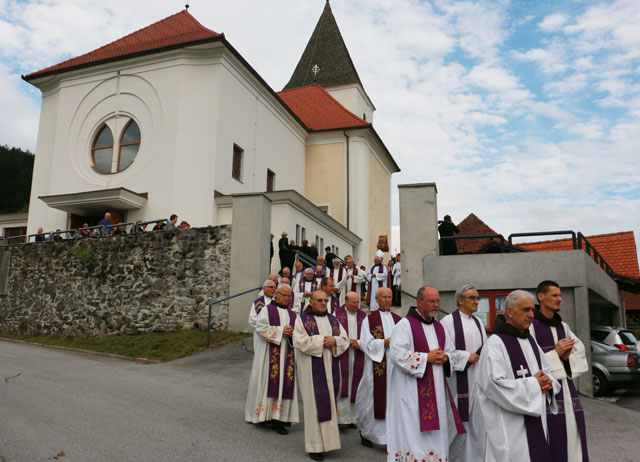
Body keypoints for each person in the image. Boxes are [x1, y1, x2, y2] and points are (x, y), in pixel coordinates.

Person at [473, 290, 560, 462]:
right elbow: (493, 385)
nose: (530, 315)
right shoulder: (494, 344)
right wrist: (535, 384)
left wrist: (549, 383)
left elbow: (547, 371)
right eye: (525, 310)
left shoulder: (530, 340)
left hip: (535, 422)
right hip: (509, 426)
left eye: (532, 310)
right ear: (510, 312)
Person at [386, 286, 465, 462]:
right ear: (419, 301)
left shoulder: (439, 327)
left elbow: (451, 352)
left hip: (436, 394)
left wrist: (446, 357)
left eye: (437, 301)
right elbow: (397, 355)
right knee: (413, 431)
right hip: (411, 392)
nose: (436, 305)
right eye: (431, 301)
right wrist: (425, 358)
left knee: (436, 434)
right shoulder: (405, 325)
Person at [530, 280, 589, 462]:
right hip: (545, 391)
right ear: (541, 297)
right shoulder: (531, 326)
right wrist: (555, 353)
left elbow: (579, 353)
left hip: (566, 391)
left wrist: (564, 359)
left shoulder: (563, 327)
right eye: (555, 295)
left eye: (560, 295)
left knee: (573, 436)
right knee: (551, 440)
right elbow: (529, 360)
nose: (560, 299)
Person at [293, 290, 350, 461]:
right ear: (311, 302)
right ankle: (315, 446)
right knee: (313, 407)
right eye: (319, 300)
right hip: (311, 369)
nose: (323, 303)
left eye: (325, 300)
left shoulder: (333, 320)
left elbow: (345, 340)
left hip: (331, 369)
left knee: (329, 403)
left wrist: (335, 341)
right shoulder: (302, 319)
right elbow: (299, 341)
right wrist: (321, 341)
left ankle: (329, 443)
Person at [441, 284, 488, 462]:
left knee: (477, 423)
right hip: (459, 380)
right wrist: (466, 356)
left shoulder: (478, 322)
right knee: (456, 423)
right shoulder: (448, 322)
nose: (477, 302)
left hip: (478, 379)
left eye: (478, 298)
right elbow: (445, 351)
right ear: (460, 300)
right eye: (473, 298)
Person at [244, 284, 298, 435]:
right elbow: (260, 327)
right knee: (268, 382)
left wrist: (293, 333)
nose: (287, 298)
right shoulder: (266, 310)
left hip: (287, 354)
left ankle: (280, 417)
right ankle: (266, 416)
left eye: (289, 296)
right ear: (278, 295)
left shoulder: (293, 314)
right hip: (269, 355)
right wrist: (281, 331)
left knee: (283, 384)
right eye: (285, 295)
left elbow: (299, 333)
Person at [356, 287, 402, 448]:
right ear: (376, 299)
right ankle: (368, 432)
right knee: (372, 397)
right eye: (384, 297)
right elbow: (365, 343)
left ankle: (391, 437)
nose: (388, 300)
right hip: (377, 364)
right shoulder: (369, 319)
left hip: (395, 366)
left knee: (392, 399)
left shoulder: (399, 319)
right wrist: (384, 343)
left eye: (390, 297)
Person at [334, 292, 367, 428]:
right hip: (343, 355)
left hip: (358, 354)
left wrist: (360, 343)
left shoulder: (363, 316)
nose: (356, 305)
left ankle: (353, 418)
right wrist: (346, 342)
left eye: (358, 302)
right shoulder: (337, 315)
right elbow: (333, 334)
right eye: (353, 302)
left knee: (356, 386)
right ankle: (341, 419)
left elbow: (368, 336)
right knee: (343, 385)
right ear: (346, 302)